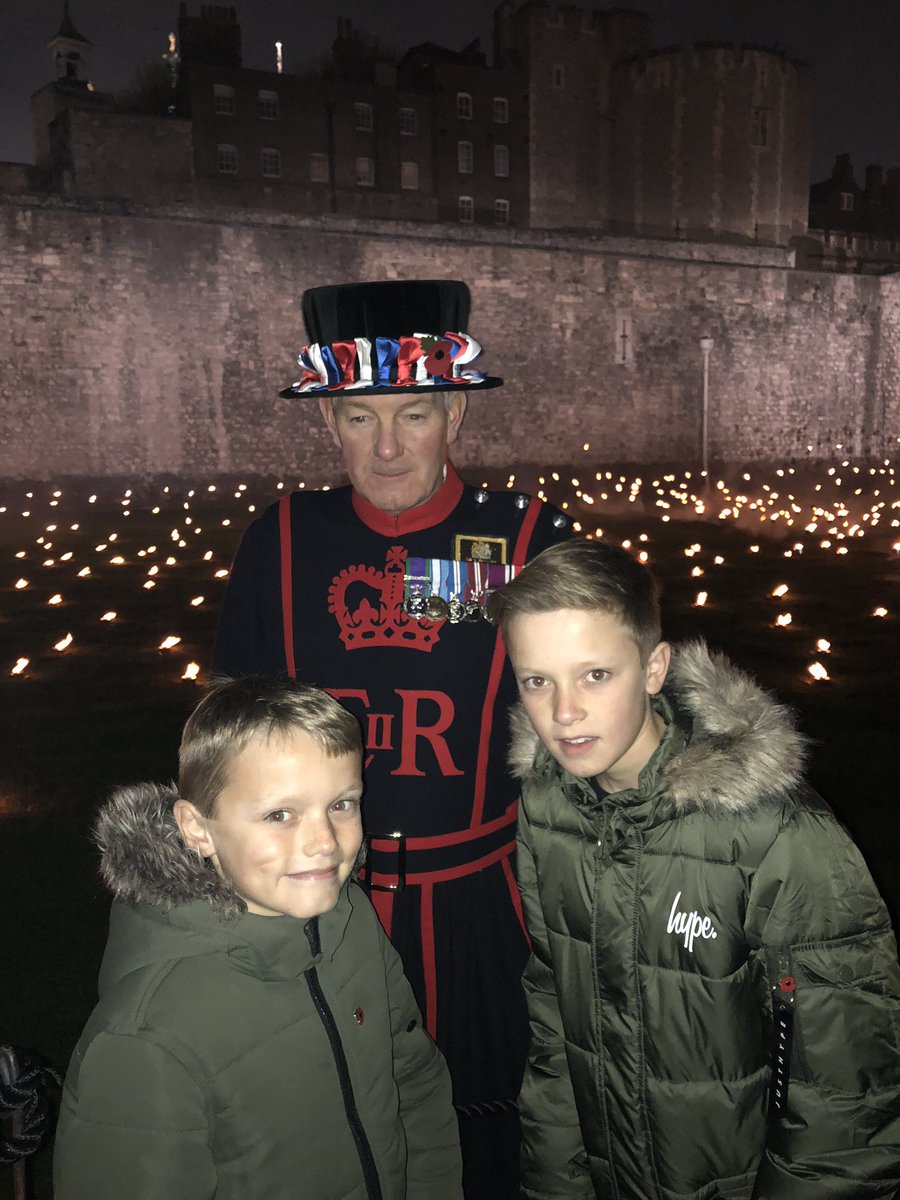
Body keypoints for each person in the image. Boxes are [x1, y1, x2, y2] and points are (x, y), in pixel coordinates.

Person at [212, 279, 570, 1198]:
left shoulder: (520, 538)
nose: (386, 445)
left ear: (454, 411)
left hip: (488, 913)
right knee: (340, 1143)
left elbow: (596, 734)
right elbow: (228, 752)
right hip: (321, 907)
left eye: (413, 414)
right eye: (361, 416)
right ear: (329, 421)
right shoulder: (283, 542)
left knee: (497, 1148)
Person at [488, 537, 900, 1199]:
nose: (563, 713)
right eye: (538, 680)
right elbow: (557, 1028)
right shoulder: (546, 810)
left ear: (654, 668)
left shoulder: (775, 835)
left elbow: (844, 1099)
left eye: (595, 674)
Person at [53, 676, 462, 1200]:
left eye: (342, 804)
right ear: (198, 829)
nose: (324, 842)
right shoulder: (146, 1038)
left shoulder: (350, 918)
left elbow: (412, 1079)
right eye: (279, 815)